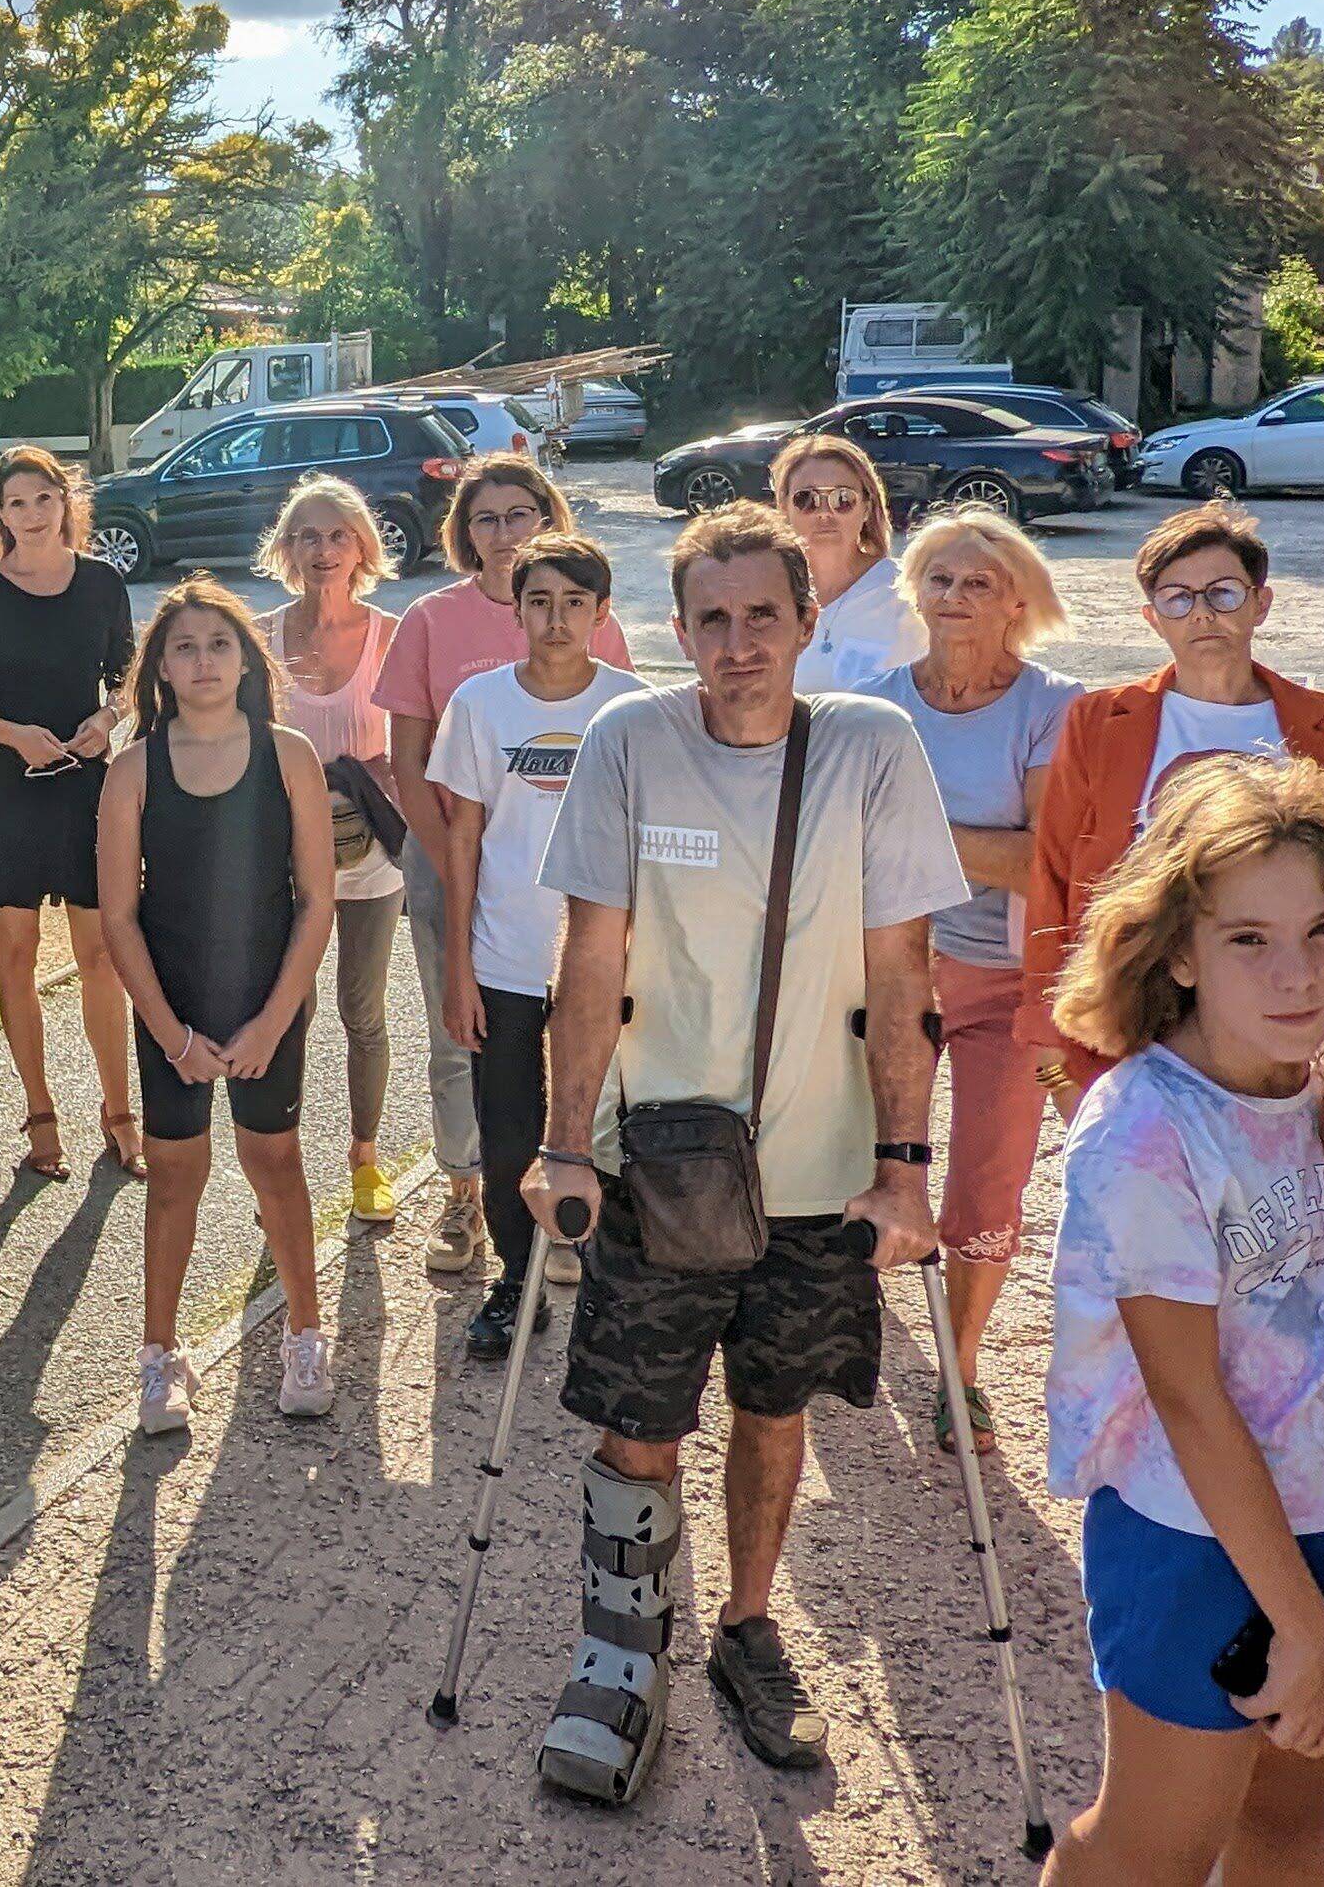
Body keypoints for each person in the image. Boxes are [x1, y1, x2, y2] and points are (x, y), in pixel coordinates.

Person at [515, 503, 968, 1801]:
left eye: (761, 615)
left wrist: (904, 1168)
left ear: (806, 620)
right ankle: (619, 1655)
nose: (735, 642)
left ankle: (745, 1630)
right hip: (658, 1162)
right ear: (678, 630)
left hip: (820, 1172)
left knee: (774, 1413)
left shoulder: (872, 748)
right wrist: (563, 1151)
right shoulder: (628, 742)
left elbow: (901, 967)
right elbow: (590, 958)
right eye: (709, 619)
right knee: (636, 1423)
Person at [1039, 757, 1324, 1886]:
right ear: (1180, 951)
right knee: (1153, 1850)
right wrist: (1297, 1625)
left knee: (1291, 1826)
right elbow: (1188, 1399)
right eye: (1248, 939)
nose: (1297, 975)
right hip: (1193, 1531)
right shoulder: (1145, 1128)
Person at [847, 508, 1081, 1456]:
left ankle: (962, 1365)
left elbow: (1041, 864)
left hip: (1001, 978)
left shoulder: (1051, 707)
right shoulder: (873, 703)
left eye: (977, 583)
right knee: (853, 1161)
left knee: (988, 1183)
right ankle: (844, 1327)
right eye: (938, 579)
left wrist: (913, 842)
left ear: (1018, 601)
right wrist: (960, 851)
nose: (954, 597)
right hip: (880, 971)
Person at [1025, 501, 1324, 1097]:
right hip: (1136, 1018)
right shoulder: (1099, 720)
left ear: (1259, 604)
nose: (1202, 615)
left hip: (1282, 1015)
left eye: (1222, 593)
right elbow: (1054, 873)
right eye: (1178, 599)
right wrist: (1050, 1036)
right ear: (1153, 618)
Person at [377, 451, 634, 1286]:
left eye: (518, 513)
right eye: (483, 517)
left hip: (577, 908)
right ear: (464, 531)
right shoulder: (433, 623)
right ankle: (471, 1202)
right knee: (471, 1051)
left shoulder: (611, 671)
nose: (501, 530)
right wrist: (463, 875)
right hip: (460, 862)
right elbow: (412, 759)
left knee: (591, 1057)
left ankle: (570, 1212)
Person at [96, 579, 341, 1436]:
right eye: (184, 647)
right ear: (159, 668)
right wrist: (172, 1035)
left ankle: (306, 1334)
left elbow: (316, 900)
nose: (202, 661)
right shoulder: (134, 768)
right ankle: (159, 1354)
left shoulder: (290, 755)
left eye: (219, 644)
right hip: (174, 1009)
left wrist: (272, 1022)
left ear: (247, 659)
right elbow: (119, 916)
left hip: (267, 1000)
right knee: (174, 1176)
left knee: (274, 1159)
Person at [424, 530, 644, 1363]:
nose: (556, 621)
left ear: (601, 612)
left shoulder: (631, 706)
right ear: (514, 610)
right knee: (509, 1128)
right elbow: (464, 838)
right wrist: (457, 969)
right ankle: (517, 1281)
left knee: (615, 1120)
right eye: (540, 602)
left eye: (574, 603)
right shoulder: (481, 706)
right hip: (505, 954)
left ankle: (614, 1276)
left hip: (607, 958)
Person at [0, 446, 141, 1178]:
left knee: (99, 959)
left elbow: (128, 675)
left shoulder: (102, 584)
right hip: (6, 790)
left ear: (65, 501)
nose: (31, 513)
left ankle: (120, 1115)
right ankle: (40, 1118)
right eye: (15, 503)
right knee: (17, 957)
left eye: (42, 498)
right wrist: (12, 732)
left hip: (86, 788)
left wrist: (108, 716)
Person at [257, 476, 409, 1225]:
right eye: (307, 536)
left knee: (363, 1012)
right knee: (290, 1011)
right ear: (287, 550)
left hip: (371, 856)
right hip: (288, 863)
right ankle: (281, 1171)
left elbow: (416, 747)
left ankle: (364, 1159)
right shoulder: (260, 636)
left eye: (336, 535)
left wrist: (365, 776)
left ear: (361, 547)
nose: (323, 550)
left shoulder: (392, 634)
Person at [774, 432, 920, 693]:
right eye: (806, 499)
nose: (824, 513)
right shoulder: (764, 595)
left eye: (842, 499)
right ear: (784, 508)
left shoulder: (909, 592)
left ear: (866, 507)